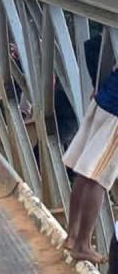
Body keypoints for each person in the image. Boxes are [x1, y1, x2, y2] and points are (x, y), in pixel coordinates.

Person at [62, 66, 118, 264]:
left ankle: (72, 236)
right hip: (116, 115)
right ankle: (82, 245)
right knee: (98, 178)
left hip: (105, 98)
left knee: (86, 172)